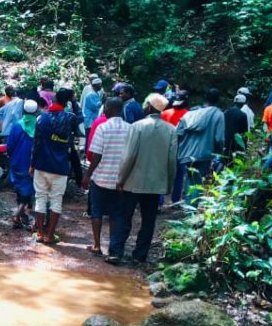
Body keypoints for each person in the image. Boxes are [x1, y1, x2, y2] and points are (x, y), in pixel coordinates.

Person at [108, 94, 177, 264]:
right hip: (155, 184)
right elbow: (171, 160)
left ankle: (116, 252)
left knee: (124, 216)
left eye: (146, 104)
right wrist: (169, 184)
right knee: (148, 220)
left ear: (149, 107)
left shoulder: (137, 126)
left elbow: (129, 156)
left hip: (133, 180)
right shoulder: (171, 130)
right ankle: (140, 254)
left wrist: (120, 179)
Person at [81, 98, 130, 256]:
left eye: (106, 107)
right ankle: (112, 247)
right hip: (120, 181)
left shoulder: (102, 128)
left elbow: (96, 156)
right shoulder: (130, 129)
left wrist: (87, 176)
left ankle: (97, 245)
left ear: (109, 108)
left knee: (97, 212)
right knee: (115, 214)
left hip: (100, 178)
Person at [29, 88, 78, 245]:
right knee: (56, 200)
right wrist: (73, 102)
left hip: (42, 164)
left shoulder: (42, 119)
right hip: (61, 167)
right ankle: (50, 236)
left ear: (53, 101)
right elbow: (79, 121)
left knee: (40, 198)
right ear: (67, 102)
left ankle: (40, 234)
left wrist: (32, 164)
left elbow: (36, 144)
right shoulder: (70, 118)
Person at [176, 88, 225, 206]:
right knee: (197, 182)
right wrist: (219, 153)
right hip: (204, 153)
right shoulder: (218, 114)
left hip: (186, 153)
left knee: (190, 179)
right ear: (218, 100)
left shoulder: (191, 113)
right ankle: (191, 211)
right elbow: (219, 138)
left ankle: (188, 205)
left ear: (205, 98)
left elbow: (178, 132)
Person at [7, 99, 39, 229]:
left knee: (20, 188)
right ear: (36, 111)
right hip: (32, 163)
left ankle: (20, 215)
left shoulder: (17, 125)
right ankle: (18, 214)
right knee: (29, 189)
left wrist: (11, 156)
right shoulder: (39, 126)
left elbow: (10, 146)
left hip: (17, 161)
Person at [162, 90, 191, 205]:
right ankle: (175, 200)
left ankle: (159, 201)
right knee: (179, 175)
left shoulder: (164, 113)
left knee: (162, 174)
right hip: (181, 147)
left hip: (165, 146)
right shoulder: (188, 115)